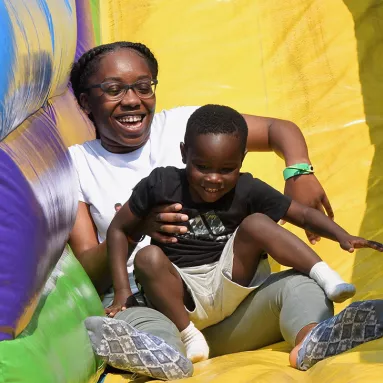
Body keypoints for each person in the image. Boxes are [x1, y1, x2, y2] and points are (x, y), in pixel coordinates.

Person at [67, 41, 376, 380]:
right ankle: (164, 356)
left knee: (300, 286)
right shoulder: (78, 165)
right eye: (113, 90)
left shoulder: (188, 124)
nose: (131, 100)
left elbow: (278, 129)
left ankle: (312, 339)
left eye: (143, 87)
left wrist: (298, 170)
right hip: (155, 302)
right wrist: (135, 226)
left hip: (232, 301)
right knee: (137, 323)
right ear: (86, 102)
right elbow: (88, 268)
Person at [105, 104, 382, 363]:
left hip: (233, 293)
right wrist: (121, 292)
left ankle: (312, 338)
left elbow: (303, 214)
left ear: (242, 160)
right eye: (202, 167)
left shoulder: (247, 188)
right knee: (147, 263)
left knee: (296, 276)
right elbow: (119, 228)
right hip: (179, 298)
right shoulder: (161, 183)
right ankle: (173, 351)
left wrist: (342, 236)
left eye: (227, 169)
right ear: (183, 153)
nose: (214, 179)